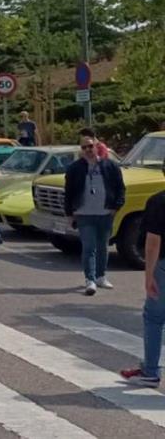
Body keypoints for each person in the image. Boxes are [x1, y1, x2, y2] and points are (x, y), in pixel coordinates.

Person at [120, 162, 165, 387]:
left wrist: (148, 276)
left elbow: (153, 243)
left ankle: (150, 370)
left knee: (154, 318)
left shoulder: (158, 201)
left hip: (163, 266)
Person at [65, 132, 126, 295]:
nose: (87, 150)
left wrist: (116, 206)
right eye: (84, 147)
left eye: (90, 146)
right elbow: (69, 192)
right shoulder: (75, 168)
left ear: (97, 146)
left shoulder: (109, 166)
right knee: (89, 247)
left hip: (105, 213)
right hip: (84, 214)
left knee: (103, 247)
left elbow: (120, 188)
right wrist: (69, 214)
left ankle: (101, 276)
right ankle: (90, 280)